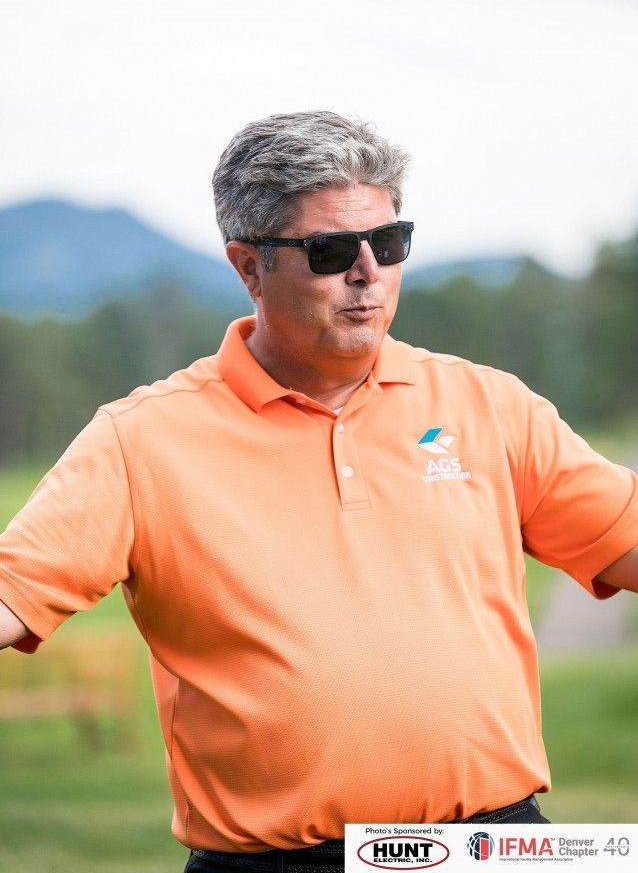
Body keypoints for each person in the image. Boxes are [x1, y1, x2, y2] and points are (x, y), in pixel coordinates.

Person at [1, 111, 637, 873]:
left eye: (390, 242)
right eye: (331, 250)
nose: (368, 271)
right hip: (278, 864)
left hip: (502, 849)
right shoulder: (140, 439)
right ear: (248, 267)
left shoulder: (489, 404)